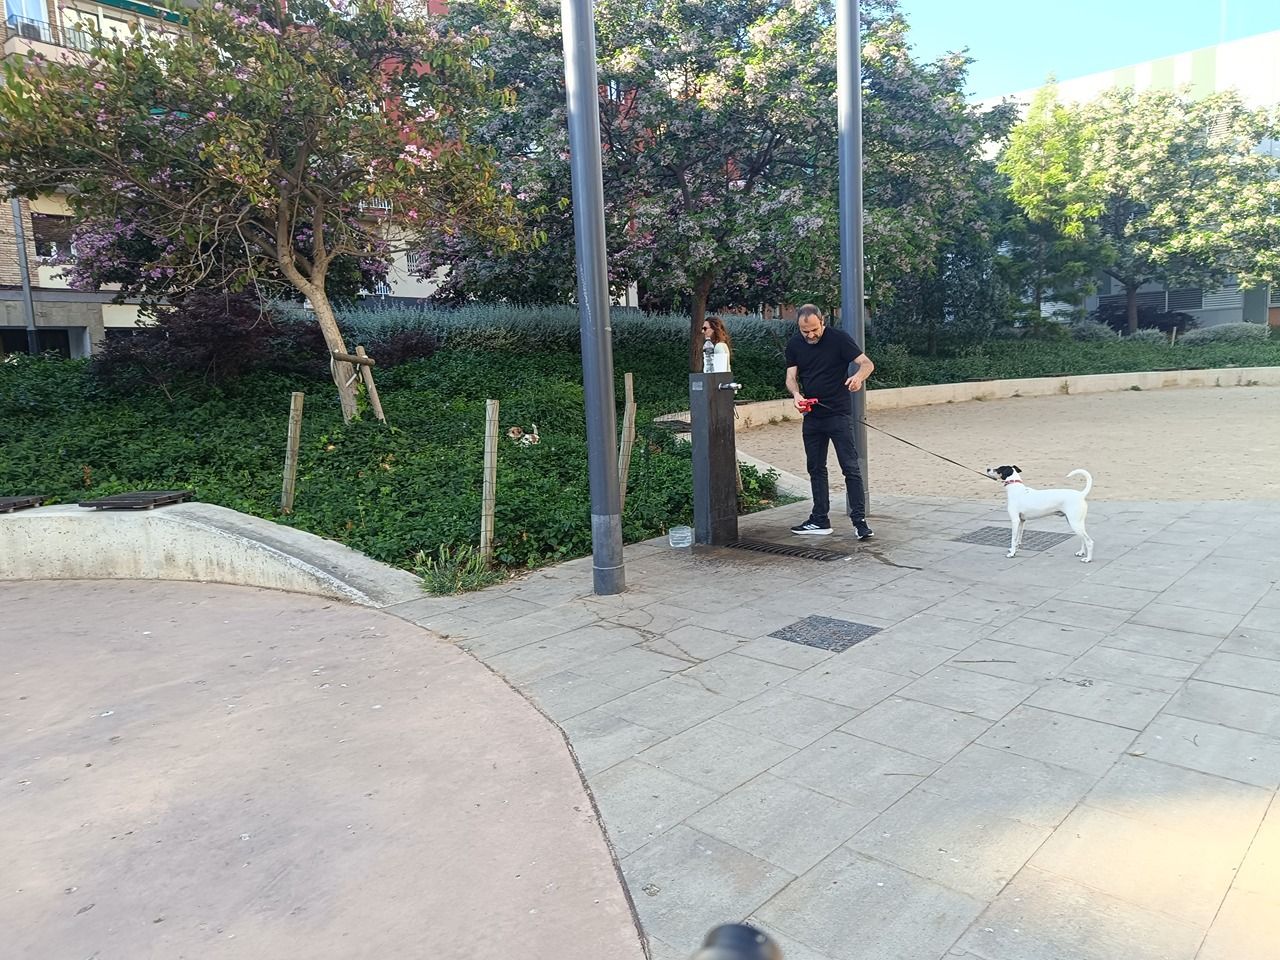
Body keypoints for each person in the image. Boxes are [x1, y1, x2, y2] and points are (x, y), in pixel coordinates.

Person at [784, 304, 875, 539]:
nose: (810, 335)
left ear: (822, 322)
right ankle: (820, 519)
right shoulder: (795, 344)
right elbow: (791, 377)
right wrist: (796, 395)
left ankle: (859, 522)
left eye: (814, 329)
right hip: (812, 416)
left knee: (850, 467)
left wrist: (858, 377)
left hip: (838, 414)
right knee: (815, 468)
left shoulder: (839, 339)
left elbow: (867, 364)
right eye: (805, 331)